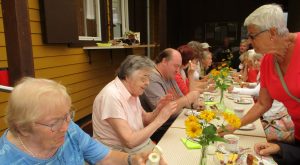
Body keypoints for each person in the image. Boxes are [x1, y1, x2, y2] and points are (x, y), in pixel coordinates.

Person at [0, 77, 166, 164]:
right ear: (22, 128)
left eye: (67, 115)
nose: (66, 127)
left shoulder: (70, 129)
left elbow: (105, 158)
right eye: (54, 123)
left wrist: (132, 160)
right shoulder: (8, 160)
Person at [220, 4, 300, 164]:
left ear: (271, 32)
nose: (249, 41)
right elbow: (263, 103)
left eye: (252, 35)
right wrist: (234, 125)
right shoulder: (267, 60)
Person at [93, 55, 177, 154]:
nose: (147, 83)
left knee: (173, 152)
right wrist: (160, 120)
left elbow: (145, 119)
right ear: (127, 76)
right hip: (114, 154)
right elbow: (130, 141)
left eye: (148, 78)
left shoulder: (132, 91)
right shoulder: (112, 96)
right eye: (143, 78)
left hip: (135, 148)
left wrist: (159, 109)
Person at [140, 48, 201, 142]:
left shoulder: (170, 75)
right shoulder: (152, 78)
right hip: (161, 129)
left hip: (175, 122)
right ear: (164, 61)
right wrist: (187, 99)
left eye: (179, 67)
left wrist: (191, 103)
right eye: (176, 66)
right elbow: (163, 111)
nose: (178, 70)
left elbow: (184, 100)